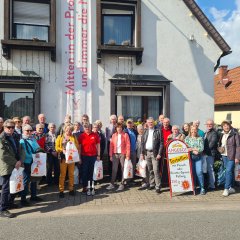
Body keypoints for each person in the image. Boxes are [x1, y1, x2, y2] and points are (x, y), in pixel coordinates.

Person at [0, 119, 24, 218]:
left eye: (12, 127)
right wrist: (16, 162)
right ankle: (2, 209)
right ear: (4, 128)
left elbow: (22, 150)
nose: (11, 129)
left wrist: (20, 161)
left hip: (17, 166)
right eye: (8, 127)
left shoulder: (16, 136)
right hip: (8, 166)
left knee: (15, 186)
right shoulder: (1, 138)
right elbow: (3, 155)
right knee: (6, 188)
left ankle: (10, 203)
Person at [20, 124, 43, 206]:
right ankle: (23, 200)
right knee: (25, 181)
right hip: (26, 163)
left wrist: (40, 153)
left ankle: (33, 196)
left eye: (30, 130)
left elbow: (38, 148)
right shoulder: (22, 141)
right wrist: (34, 155)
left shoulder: (33, 139)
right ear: (23, 131)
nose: (29, 132)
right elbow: (24, 153)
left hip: (34, 162)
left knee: (34, 179)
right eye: (27, 130)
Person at [56, 124, 79, 198]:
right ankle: (61, 190)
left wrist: (73, 149)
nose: (68, 131)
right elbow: (56, 147)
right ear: (64, 129)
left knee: (71, 174)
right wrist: (62, 150)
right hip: (63, 159)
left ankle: (71, 189)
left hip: (71, 158)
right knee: (62, 175)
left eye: (70, 129)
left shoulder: (73, 137)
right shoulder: (60, 137)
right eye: (67, 129)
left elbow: (77, 146)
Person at [141, 117, 163, 193]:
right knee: (150, 170)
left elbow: (161, 143)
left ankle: (158, 186)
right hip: (147, 153)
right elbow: (142, 143)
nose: (150, 123)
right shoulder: (145, 131)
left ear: (154, 123)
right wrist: (142, 153)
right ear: (147, 123)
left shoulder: (158, 131)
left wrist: (159, 153)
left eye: (151, 122)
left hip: (155, 153)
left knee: (156, 170)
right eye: (149, 122)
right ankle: (152, 184)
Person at [218, 120, 240, 197]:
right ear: (222, 127)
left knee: (228, 171)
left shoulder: (235, 134)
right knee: (229, 172)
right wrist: (219, 148)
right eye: (224, 126)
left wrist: (237, 157)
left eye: (227, 125)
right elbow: (220, 143)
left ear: (230, 126)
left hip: (232, 156)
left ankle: (226, 188)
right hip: (224, 155)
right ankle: (231, 187)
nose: (226, 127)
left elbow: (238, 146)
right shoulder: (222, 134)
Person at [106, 123, 130, 191]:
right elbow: (111, 146)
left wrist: (127, 155)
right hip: (115, 154)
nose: (119, 129)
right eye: (117, 127)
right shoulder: (113, 135)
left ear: (122, 128)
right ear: (116, 128)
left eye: (120, 127)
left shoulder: (125, 135)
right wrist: (110, 155)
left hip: (123, 154)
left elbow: (128, 146)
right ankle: (112, 184)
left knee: (123, 169)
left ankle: (122, 184)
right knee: (114, 169)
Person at [78, 123, 100, 195]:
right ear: (84, 128)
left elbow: (98, 146)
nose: (87, 128)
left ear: (91, 127)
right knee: (84, 172)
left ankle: (91, 187)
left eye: (88, 127)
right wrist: (79, 157)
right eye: (86, 127)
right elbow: (79, 148)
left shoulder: (95, 135)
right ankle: (85, 187)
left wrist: (98, 155)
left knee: (92, 172)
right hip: (84, 157)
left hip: (93, 156)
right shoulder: (81, 136)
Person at [185, 125, 205, 195]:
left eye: (195, 130)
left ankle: (202, 188)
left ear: (197, 130)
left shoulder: (200, 138)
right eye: (192, 129)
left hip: (198, 158)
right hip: (190, 158)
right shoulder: (187, 138)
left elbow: (201, 148)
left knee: (199, 172)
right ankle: (193, 187)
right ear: (190, 130)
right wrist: (193, 150)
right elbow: (186, 148)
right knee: (192, 173)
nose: (193, 131)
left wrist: (192, 149)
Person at [203, 119, 218, 190]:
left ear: (213, 125)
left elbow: (212, 144)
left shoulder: (214, 133)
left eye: (210, 124)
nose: (209, 125)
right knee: (205, 169)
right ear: (206, 125)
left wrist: (203, 151)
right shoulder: (206, 132)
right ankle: (207, 184)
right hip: (205, 153)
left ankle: (212, 186)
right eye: (208, 124)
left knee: (210, 169)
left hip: (210, 154)